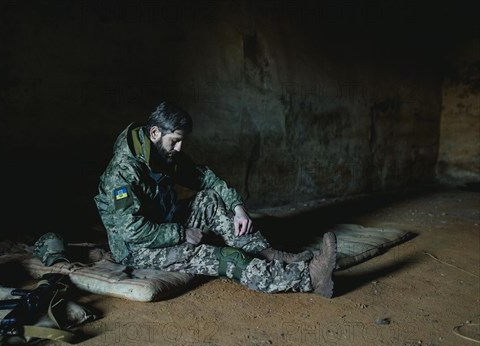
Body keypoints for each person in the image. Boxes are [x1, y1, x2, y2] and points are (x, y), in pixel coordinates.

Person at [94, 101, 336, 298]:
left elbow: (207, 179)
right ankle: (310, 279)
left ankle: (265, 253)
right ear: (155, 133)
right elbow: (130, 230)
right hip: (137, 248)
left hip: (162, 222)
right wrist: (181, 233)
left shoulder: (162, 153)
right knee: (219, 256)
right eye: (175, 140)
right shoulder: (123, 171)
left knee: (209, 198)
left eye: (182, 141)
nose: (179, 148)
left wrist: (237, 207)